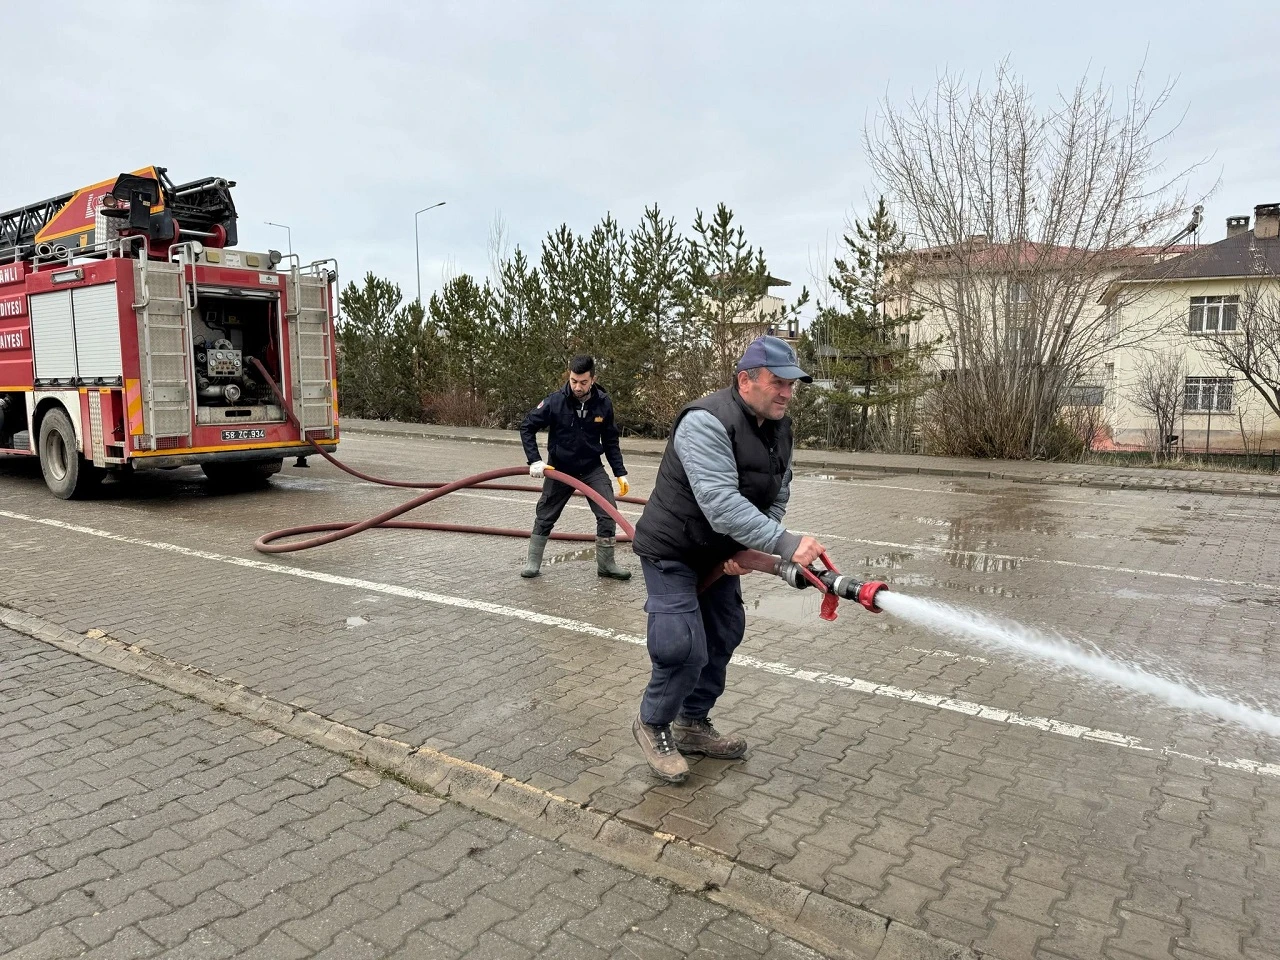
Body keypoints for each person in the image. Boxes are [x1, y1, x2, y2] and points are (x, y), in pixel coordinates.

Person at [629, 336, 826, 783]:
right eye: (778, 383)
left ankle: (692, 722)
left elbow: (777, 493)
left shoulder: (779, 427)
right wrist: (783, 542)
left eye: (792, 385)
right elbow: (718, 502)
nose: (786, 393)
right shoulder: (706, 421)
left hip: (720, 550)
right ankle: (653, 723)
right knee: (681, 643)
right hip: (673, 549)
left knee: (724, 631)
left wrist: (753, 548)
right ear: (746, 380)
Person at [519, 354, 632, 581]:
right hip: (560, 468)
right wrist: (535, 460)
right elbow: (527, 427)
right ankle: (533, 562)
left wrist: (620, 472)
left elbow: (610, 441)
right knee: (545, 514)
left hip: (591, 468)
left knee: (608, 512)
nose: (577, 387)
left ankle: (607, 565)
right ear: (569, 376)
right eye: (573, 381)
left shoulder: (603, 403)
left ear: (593, 379)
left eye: (583, 382)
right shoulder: (555, 401)